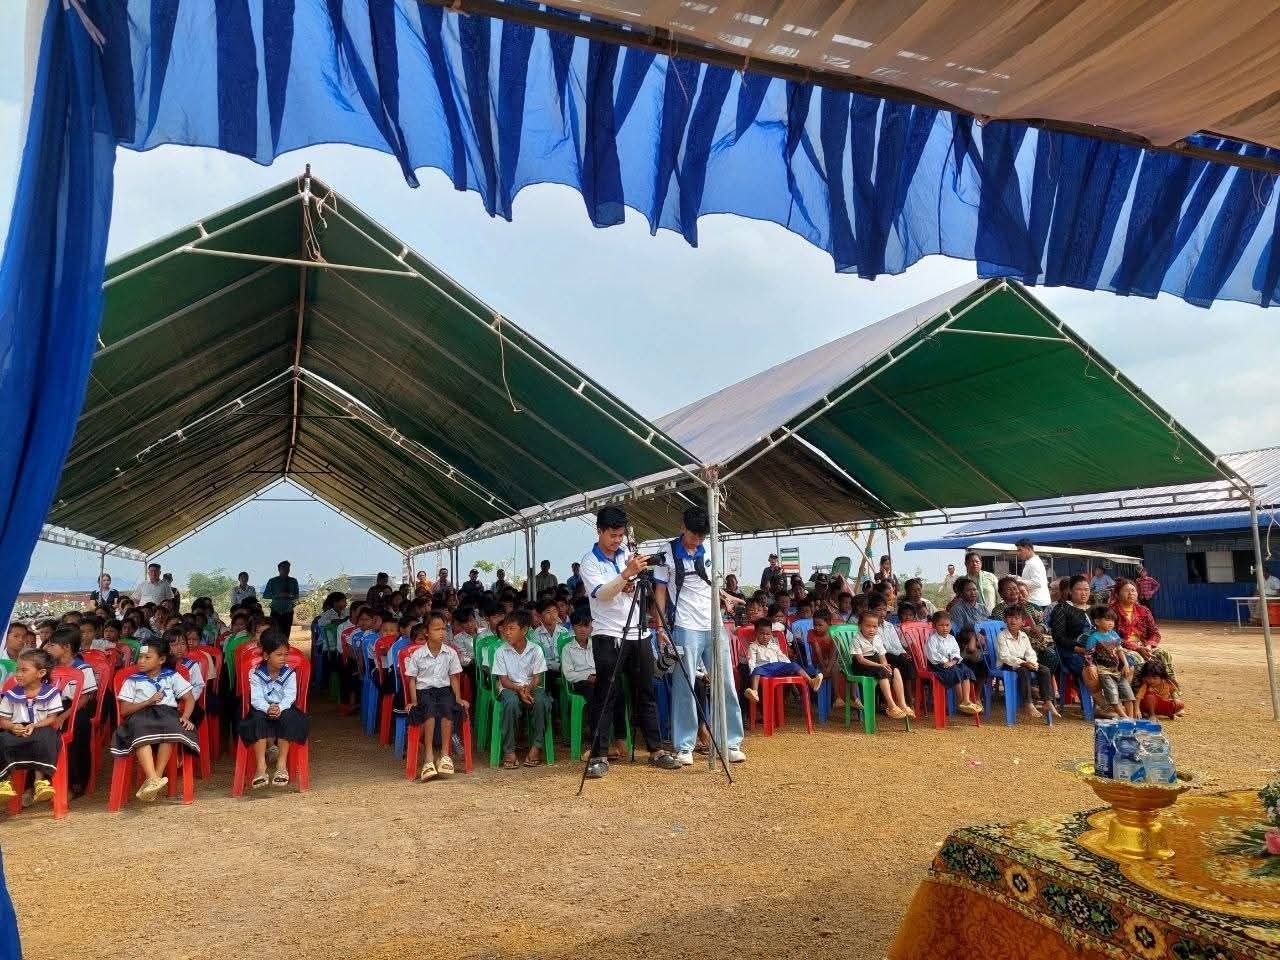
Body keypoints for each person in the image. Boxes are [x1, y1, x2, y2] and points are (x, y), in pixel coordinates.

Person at [580, 506, 682, 779]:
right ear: (599, 531)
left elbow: (634, 583)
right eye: (612, 535)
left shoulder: (626, 552)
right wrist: (625, 576)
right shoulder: (589, 561)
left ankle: (656, 750)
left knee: (646, 692)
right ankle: (599, 755)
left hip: (638, 632)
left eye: (620, 535)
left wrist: (630, 580)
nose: (617, 540)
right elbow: (601, 594)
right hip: (608, 634)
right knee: (606, 694)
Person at [652, 506, 748, 767]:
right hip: (684, 625)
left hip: (714, 624)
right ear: (683, 527)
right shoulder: (666, 552)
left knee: (725, 683)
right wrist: (660, 628)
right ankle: (685, 746)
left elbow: (711, 583)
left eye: (702, 536)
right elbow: (660, 592)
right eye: (694, 535)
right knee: (684, 686)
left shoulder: (709, 549)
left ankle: (731, 742)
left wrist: (726, 598)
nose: (697, 540)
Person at [110, 635, 199, 802]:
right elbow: (124, 710)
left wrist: (186, 716)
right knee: (140, 730)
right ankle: (152, 777)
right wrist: (148, 701)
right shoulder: (132, 681)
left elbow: (189, 698)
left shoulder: (171, 676)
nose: (141, 661)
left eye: (147, 657)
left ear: (161, 659)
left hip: (166, 714)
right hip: (140, 715)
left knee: (171, 727)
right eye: (140, 657)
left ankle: (155, 779)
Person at [238, 630, 309, 789]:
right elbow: (256, 698)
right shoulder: (256, 673)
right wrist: (267, 708)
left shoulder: (289, 673)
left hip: (284, 708)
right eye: (279, 655)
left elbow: (290, 696)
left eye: (286, 654)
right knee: (256, 720)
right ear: (266, 656)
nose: (283, 658)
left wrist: (280, 707)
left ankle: (281, 765)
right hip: (262, 709)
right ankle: (261, 767)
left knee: (290, 719)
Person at [404, 612, 465, 781]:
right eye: (437, 629)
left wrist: (458, 698)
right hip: (424, 692)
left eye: (444, 629)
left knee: (448, 709)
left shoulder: (450, 653)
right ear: (426, 632)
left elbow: (453, 678)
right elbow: (412, 680)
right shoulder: (418, 654)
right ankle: (429, 757)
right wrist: (414, 701)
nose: (441, 633)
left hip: (444, 691)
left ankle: (445, 755)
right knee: (429, 712)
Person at [0, 650, 63, 804]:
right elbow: (3, 721)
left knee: (48, 736)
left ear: (41, 673)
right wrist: (12, 726)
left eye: (24, 670)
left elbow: (52, 718)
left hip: (40, 729)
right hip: (17, 731)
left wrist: (35, 725)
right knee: (2, 739)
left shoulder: (51, 693)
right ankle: (4, 781)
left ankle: (40, 782)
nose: (18, 674)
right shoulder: (11, 694)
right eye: (17, 670)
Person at [492, 610, 552, 769]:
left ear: (524, 630)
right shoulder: (500, 651)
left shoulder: (536, 649)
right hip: (509, 687)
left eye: (511, 628)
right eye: (505, 629)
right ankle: (509, 750)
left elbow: (537, 678)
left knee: (542, 701)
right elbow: (504, 680)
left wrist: (528, 689)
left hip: (531, 686)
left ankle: (536, 746)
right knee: (510, 703)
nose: (507, 632)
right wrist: (519, 689)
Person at [847, 611, 913, 720]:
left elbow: (882, 656)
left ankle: (902, 704)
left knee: (895, 670)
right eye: (868, 626)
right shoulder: (856, 639)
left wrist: (886, 665)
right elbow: (861, 660)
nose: (871, 629)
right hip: (861, 666)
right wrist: (880, 666)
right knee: (883, 673)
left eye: (875, 627)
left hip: (876, 664)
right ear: (860, 626)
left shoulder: (877, 638)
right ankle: (891, 706)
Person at [994, 605, 1057, 719]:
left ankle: (1047, 701)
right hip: (1007, 664)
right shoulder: (1002, 636)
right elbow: (1004, 656)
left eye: (1017, 618)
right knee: (1023, 670)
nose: (1013, 621)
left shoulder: (1023, 636)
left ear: (1023, 622)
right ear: (1005, 620)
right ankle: (1028, 703)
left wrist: (1032, 663)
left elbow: (1030, 652)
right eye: (1010, 617)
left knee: (1044, 670)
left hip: (1024, 662)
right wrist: (1023, 663)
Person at [742, 618, 822, 704]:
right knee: (756, 670)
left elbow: (782, 656)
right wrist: (752, 672)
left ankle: (811, 681)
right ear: (756, 633)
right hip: (764, 669)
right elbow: (752, 660)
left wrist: (789, 666)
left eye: (768, 634)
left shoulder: (774, 646)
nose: (765, 637)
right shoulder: (753, 646)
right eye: (762, 634)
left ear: (771, 634)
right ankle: (754, 692)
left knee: (794, 665)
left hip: (777, 666)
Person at [923, 611, 979, 715]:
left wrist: (953, 661)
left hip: (952, 664)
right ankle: (960, 701)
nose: (945, 628)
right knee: (955, 672)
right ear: (934, 626)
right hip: (937, 666)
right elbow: (933, 656)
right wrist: (946, 661)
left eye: (947, 625)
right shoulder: (932, 640)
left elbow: (956, 651)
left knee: (965, 670)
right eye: (941, 625)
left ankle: (966, 700)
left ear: (951, 625)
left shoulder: (951, 638)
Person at [1109, 578, 1170, 674]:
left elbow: (1155, 633)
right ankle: (1139, 683)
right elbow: (1111, 637)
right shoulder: (1111, 611)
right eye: (1126, 591)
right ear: (1117, 594)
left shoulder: (1144, 610)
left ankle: (1166, 683)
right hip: (1122, 648)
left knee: (1163, 654)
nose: (1131, 593)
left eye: (1133, 590)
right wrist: (1136, 648)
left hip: (1144, 646)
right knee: (1137, 659)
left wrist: (1149, 646)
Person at [1086, 607, 1135, 718]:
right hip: (1104, 672)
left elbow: (1119, 649)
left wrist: (1126, 664)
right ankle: (1125, 718)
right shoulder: (1094, 637)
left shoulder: (1114, 634)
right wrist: (1091, 666)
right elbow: (1088, 655)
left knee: (1128, 695)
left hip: (1118, 670)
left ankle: (1131, 718)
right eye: (1107, 620)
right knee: (1113, 696)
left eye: (1112, 620)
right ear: (1097, 621)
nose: (1111, 623)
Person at [262, 561, 301, 635]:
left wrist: (289, 596)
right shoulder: (272, 581)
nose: (287, 570)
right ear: (279, 569)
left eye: (288, 568)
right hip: (275, 611)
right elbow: (265, 595)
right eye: (284, 568)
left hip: (288, 611)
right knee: (275, 632)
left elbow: (297, 596)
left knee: (286, 633)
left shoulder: (293, 581)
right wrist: (278, 595)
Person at [1014, 539, 1051, 608]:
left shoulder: (1033, 563)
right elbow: (1031, 580)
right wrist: (1017, 578)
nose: (1018, 553)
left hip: (1036, 602)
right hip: (1037, 601)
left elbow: (1037, 583)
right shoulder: (1032, 562)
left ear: (1028, 549)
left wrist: (1017, 581)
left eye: (1020, 550)